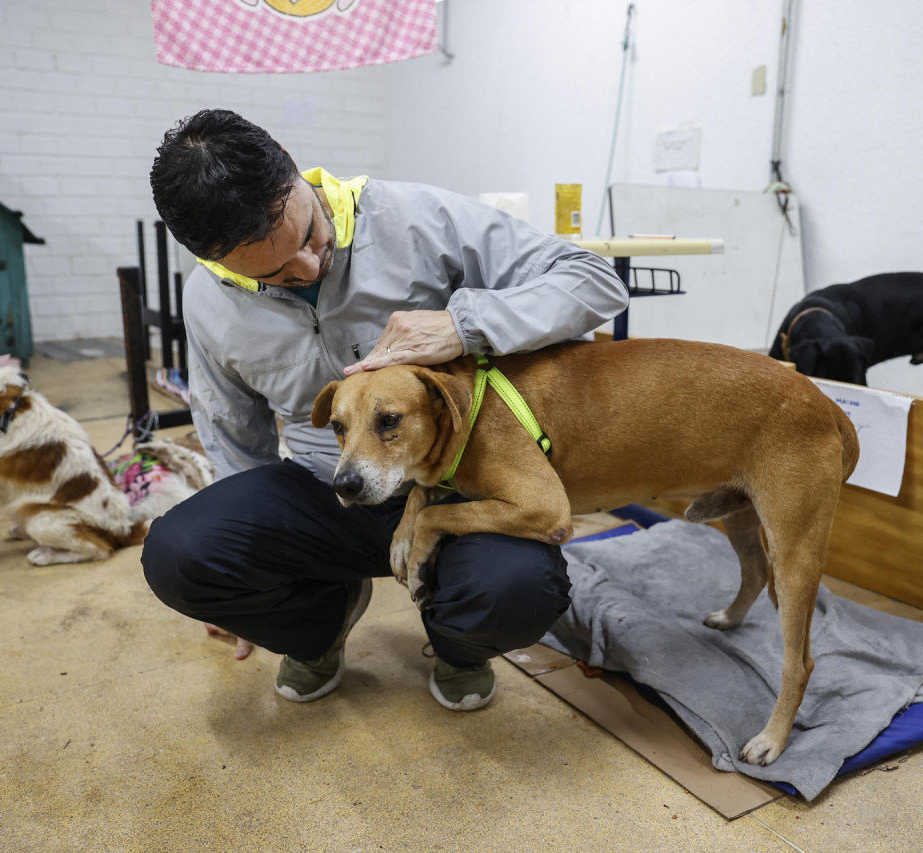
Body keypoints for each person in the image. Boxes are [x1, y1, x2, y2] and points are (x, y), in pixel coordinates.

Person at [142, 109, 628, 710]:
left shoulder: (422, 220)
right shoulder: (206, 300)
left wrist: (464, 323)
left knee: (518, 590)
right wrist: (250, 574)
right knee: (183, 555)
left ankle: (458, 646)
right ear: (216, 260)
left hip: (458, 483)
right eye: (274, 275)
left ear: (293, 172)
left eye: (309, 236)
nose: (309, 269)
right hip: (327, 489)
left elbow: (595, 281)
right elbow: (233, 438)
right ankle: (319, 624)